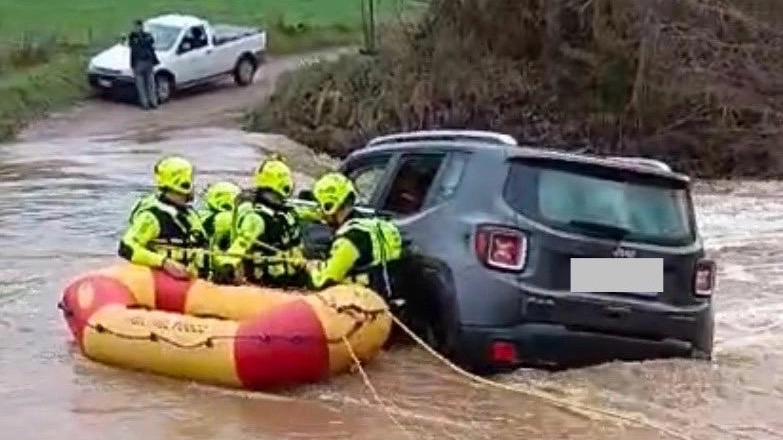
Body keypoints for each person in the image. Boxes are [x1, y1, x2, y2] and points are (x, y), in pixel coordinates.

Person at [214, 155, 307, 287]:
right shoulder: (256, 218)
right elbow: (240, 246)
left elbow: (295, 249)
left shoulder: (287, 214)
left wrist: (303, 265)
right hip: (265, 284)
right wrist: (227, 265)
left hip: (291, 282)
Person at [306, 172, 403, 293]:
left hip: (364, 302)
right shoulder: (378, 225)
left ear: (330, 205)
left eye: (320, 207)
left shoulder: (349, 239)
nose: (320, 213)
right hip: (390, 298)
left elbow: (322, 282)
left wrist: (311, 267)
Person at [118, 156, 208, 279]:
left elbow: (203, 249)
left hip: (195, 283)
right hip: (165, 284)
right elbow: (127, 247)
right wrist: (164, 262)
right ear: (184, 182)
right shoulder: (152, 217)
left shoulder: (190, 215)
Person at [128, 19, 160, 110]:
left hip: (146, 62)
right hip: (139, 63)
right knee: (141, 85)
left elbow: (149, 42)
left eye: (137, 27)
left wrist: (139, 37)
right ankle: (146, 103)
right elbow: (132, 45)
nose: (136, 28)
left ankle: (152, 102)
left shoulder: (146, 36)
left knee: (149, 83)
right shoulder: (133, 37)